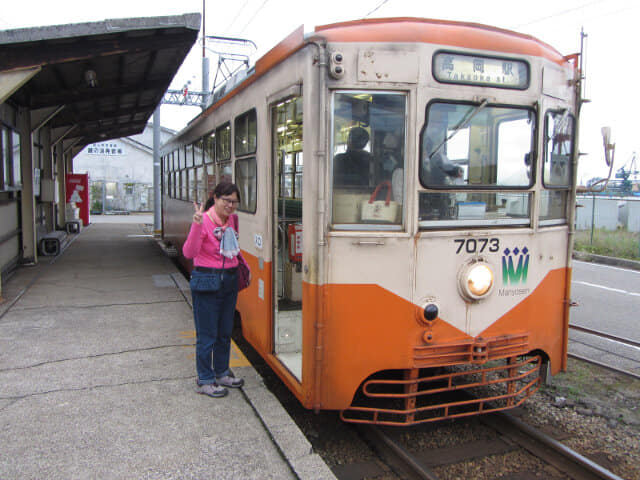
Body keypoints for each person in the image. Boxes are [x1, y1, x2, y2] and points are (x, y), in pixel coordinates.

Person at [183, 182, 245, 398]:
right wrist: (196, 225)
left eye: (234, 201)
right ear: (215, 198)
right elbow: (189, 252)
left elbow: (233, 251)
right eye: (226, 200)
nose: (230, 205)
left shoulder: (233, 220)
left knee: (224, 331)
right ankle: (204, 379)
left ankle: (221, 372)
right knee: (207, 334)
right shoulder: (205, 220)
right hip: (207, 279)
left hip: (229, 279)